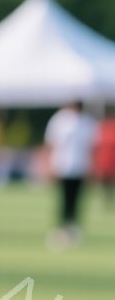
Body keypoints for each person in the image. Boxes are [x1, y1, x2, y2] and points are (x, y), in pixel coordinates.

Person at [43, 100, 98, 249]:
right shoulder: (60, 120)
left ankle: (73, 228)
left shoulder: (87, 122)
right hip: (63, 166)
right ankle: (61, 228)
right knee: (64, 199)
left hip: (80, 166)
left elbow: (92, 147)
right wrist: (48, 165)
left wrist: (92, 168)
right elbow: (51, 143)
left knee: (76, 199)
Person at [93, 110, 115, 212]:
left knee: (110, 182)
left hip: (112, 159)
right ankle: (104, 201)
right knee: (103, 182)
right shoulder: (102, 127)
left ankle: (109, 201)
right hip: (104, 159)